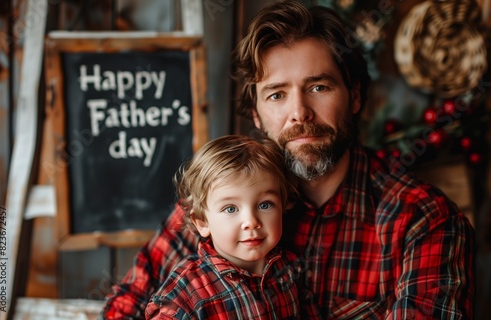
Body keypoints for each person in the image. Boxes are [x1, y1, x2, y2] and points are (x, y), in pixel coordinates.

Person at [101, 1, 475, 319]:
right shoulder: (218, 200)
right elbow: (126, 306)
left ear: (355, 96)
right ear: (257, 114)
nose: (299, 113)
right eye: (277, 95)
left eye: (318, 87)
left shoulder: (422, 221)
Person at [144, 134, 316, 319]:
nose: (251, 221)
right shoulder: (186, 295)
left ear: (282, 206)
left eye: (265, 205)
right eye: (231, 208)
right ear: (202, 222)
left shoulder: (290, 269)